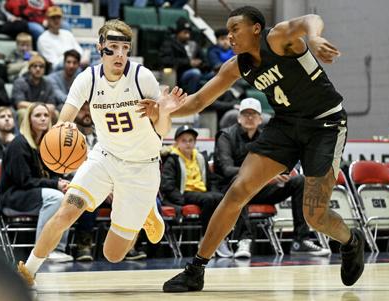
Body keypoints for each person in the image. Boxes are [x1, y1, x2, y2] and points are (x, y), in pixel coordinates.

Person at [139, 6, 365, 290]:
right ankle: (196, 269)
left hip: (325, 125)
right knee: (237, 190)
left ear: (255, 28)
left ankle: (351, 240)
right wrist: (162, 111)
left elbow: (310, 19)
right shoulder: (236, 65)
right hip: (285, 125)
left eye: (235, 29)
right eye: (229, 30)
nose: (230, 35)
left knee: (314, 215)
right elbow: (197, 102)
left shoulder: (279, 38)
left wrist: (316, 38)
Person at [16, 19, 186, 288]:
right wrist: (64, 131)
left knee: (112, 254)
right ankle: (28, 272)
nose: (119, 54)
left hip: (142, 166)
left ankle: (147, 213)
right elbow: (65, 121)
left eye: (125, 48)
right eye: (113, 47)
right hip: (104, 157)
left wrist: (164, 111)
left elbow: (161, 131)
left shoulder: (142, 77)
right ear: (101, 47)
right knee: (65, 212)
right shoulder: (88, 79)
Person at [215, 98, 330, 258]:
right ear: (238, 118)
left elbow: (278, 164)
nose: (249, 117)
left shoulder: (266, 138)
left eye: (253, 114)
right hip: (231, 192)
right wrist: (265, 175)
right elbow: (227, 170)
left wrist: (280, 173)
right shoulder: (226, 136)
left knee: (300, 181)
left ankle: (300, 241)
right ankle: (244, 240)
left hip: (259, 189)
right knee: (238, 182)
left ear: (260, 119)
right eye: (245, 114)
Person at [0, 102, 73, 262]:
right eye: (37, 115)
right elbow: (23, 181)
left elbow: (51, 175)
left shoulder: (47, 144)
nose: (43, 119)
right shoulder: (19, 144)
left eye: (46, 115)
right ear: (28, 120)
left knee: (69, 196)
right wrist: (55, 185)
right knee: (56, 197)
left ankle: (57, 248)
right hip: (14, 195)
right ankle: (42, 250)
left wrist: (61, 183)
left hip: (35, 193)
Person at [160, 125, 232, 257]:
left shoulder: (200, 158)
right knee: (209, 199)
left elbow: (211, 180)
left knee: (221, 197)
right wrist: (180, 199)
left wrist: (215, 191)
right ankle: (206, 239)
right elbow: (167, 184)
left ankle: (219, 238)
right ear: (177, 143)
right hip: (184, 193)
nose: (188, 143)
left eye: (191, 140)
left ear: (195, 142)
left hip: (201, 192)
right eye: (184, 140)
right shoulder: (172, 159)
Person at [11, 54, 58, 125]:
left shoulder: (48, 83)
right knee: (22, 113)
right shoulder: (20, 82)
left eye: (41, 66)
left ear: (44, 70)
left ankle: (53, 136)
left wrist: (40, 109)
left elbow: (52, 105)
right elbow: (20, 104)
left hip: (43, 111)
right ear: (29, 68)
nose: (38, 69)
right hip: (27, 111)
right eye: (35, 66)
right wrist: (40, 107)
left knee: (56, 113)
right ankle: (24, 136)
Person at [37, 6, 87, 71]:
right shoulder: (43, 39)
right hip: (58, 71)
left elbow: (79, 51)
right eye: (53, 18)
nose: (56, 20)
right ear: (47, 20)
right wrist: (73, 59)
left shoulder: (67, 34)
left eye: (58, 17)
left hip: (76, 65)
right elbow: (54, 64)